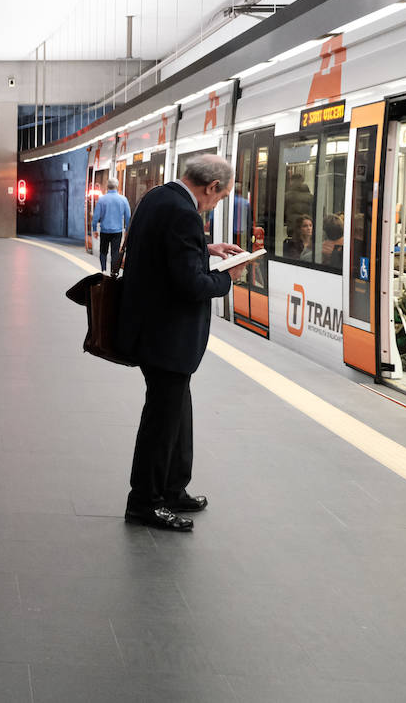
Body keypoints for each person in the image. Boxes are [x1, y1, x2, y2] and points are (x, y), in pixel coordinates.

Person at [117, 154, 243, 532]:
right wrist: (229, 278)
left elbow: (164, 253)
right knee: (161, 421)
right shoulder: (185, 214)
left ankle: (173, 488)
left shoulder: (158, 196)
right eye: (219, 199)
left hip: (149, 329)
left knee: (176, 414)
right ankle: (145, 502)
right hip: (167, 337)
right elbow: (191, 285)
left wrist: (207, 249)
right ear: (212, 187)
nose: (214, 204)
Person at [92, 179, 131, 274]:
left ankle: (103, 270)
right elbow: (128, 216)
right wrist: (127, 230)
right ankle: (113, 273)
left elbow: (96, 216)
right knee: (115, 253)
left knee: (103, 251)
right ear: (117, 186)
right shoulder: (123, 199)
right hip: (117, 232)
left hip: (104, 231)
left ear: (107, 186)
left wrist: (94, 229)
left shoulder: (102, 200)